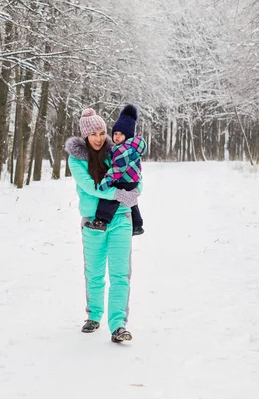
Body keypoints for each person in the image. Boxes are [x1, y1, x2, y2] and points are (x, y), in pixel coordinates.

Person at [65, 107, 140, 342]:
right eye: (93, 134)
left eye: (101, 132)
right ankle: (94, 315)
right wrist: (119, 194)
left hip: (121, 219)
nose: (98, 138)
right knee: (94, 273)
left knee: (120, 275)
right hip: (91, 222)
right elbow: (90, 187)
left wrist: (133, 193)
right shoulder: (76, 159)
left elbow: (136, 180)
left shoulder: (117, 152)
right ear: (85, 135)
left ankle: (118, 324)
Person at [84, 104, 146, 236]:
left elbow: (117, 169)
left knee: (110, 199)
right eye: (115, 133)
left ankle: (101, 220)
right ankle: (137, 224)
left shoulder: (122, 149)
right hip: (132, 180)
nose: (117, 137)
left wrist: (106, 182)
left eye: (121, 134)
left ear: (128, 135)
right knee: (130, 200)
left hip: (124, 178)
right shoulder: (131, 147)